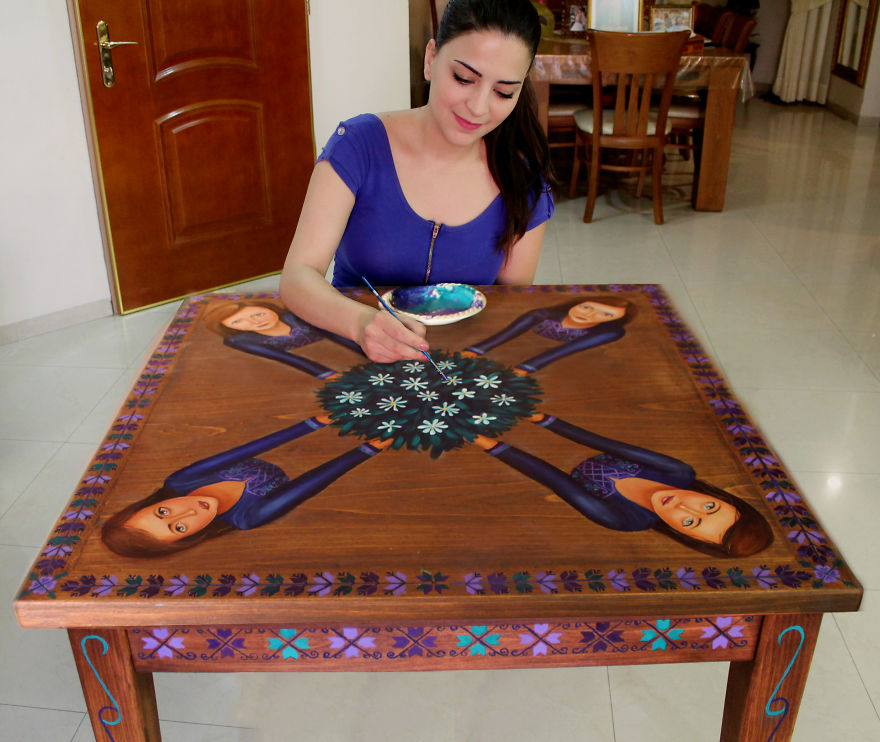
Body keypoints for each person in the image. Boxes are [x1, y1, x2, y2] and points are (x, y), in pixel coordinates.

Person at [280, 0, 554, 365]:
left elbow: (510, 305)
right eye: (464, 78)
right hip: (353, 354)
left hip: (462, 371)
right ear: (430, 59)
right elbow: (299, 276)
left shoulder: (523, 180)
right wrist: (362, 324)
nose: (478, 107)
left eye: (504, 92)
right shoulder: (359, 145)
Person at [472, 413, 774, 557]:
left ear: (681, 533)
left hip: (545, 463)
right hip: (570, 439)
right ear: (716, 496)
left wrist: (484, 441)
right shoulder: (679, 472)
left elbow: (553, 479)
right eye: (709, 506)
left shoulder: (627, 519)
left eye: (691, 521)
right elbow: (603, 443)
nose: (684, 506)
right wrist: (540, 418)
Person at [101, 418, 391, 558]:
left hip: (293, 445)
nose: (187, 513)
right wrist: (368, 449)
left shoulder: (180, 482)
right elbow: (312, 482)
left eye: (163, 512)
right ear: (189, 539)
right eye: (178, 528)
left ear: (152, 502)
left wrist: (314, 423)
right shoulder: (246, 517)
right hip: (301, 464)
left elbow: (249, 448)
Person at [462, 295, 633, 372]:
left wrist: (525, 369)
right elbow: (505, 334)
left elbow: (562, 352)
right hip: (510, 354)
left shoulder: (610, 332)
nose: (588, 314)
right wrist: (474, 351)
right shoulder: (541, 315)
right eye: (587, 307)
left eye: (606, 314)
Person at [203, 300, 364, 379]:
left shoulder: (297, 316)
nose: (256, 322)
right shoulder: (239, 341)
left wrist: (368, 353)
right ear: (229, 327)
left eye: (258, 314)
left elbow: (337, 335)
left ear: (269, 308)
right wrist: (328, 375)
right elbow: (283, 357)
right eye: (237, 322)